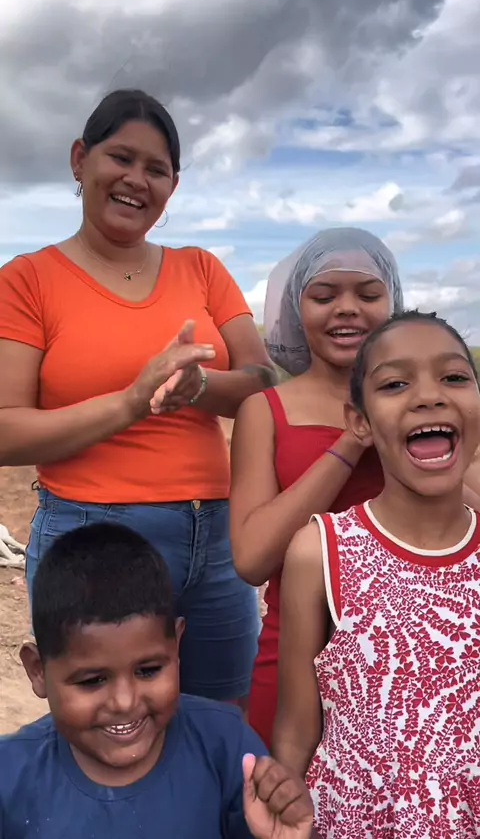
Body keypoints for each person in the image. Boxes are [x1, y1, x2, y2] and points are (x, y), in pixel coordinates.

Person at [0, 88, 276, 706]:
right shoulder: (26, 281)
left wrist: (199, 387)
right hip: (93, 536)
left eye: (157, 169)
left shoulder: (202, 269)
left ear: (173, 186)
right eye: (121, 158)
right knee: (112, 728)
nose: (136, 180)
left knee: (221, 722)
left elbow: (261, 382)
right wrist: (132, 402)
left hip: (220, 537)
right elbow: (5, 430)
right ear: (80, 159)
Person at [274, 310, 480, 836]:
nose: (429, 396)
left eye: (454, 377)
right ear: (360, 422)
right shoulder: (319, 551)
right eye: (394, 384)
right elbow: (296, 731)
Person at [0, 522, 314, 839]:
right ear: (38, 670)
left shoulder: (229, 749)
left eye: (148, 671)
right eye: (93, 680)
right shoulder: (10, 777)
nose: (125, 702)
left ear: (176, 648)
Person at [230, 227, 403, 747]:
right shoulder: (264, 410)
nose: (346, 308)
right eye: (324, 296)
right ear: (295, 308)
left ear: (393, 303)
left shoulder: (427, 407)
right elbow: (252, 559)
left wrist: (404, 438)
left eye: (368, 294)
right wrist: (351, 443)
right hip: (292, 663)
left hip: (410, 663)